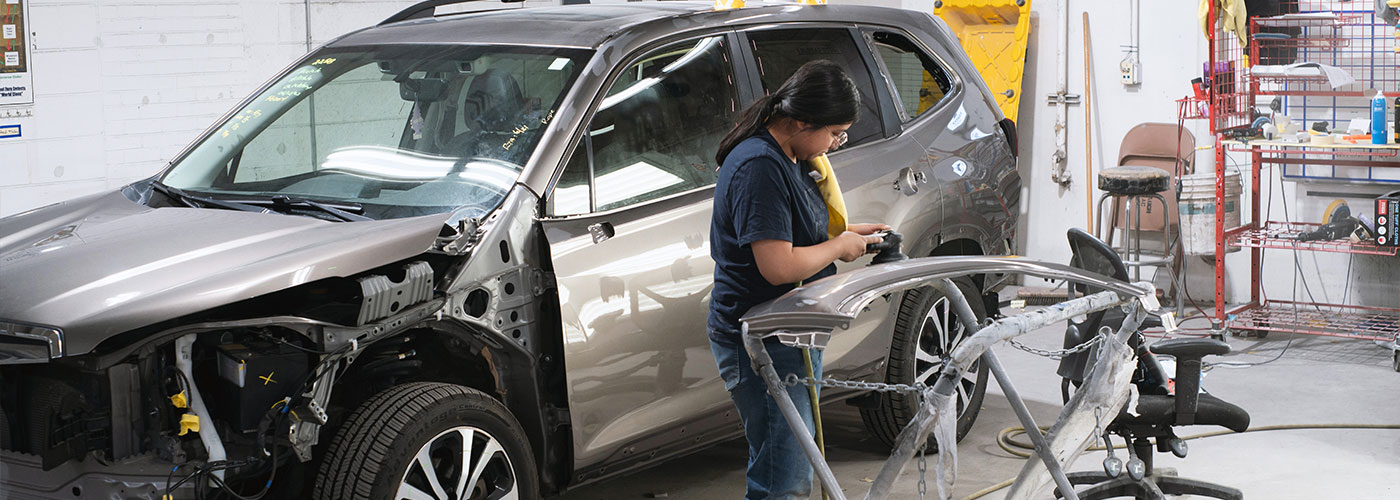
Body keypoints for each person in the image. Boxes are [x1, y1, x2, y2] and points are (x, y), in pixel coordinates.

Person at [708, 60, 890, 499]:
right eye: (834, 132)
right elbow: (778, 265)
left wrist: (849, 234)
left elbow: (791, 230)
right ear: (801, 119)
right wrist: (838, 248)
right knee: (782, 478)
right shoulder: (759, 167)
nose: (836, 143)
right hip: (762, 338)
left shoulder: (790, 155)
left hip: (791, 333)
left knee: (790, 464)